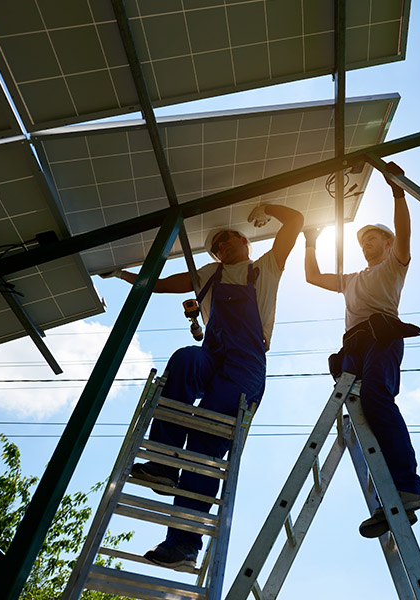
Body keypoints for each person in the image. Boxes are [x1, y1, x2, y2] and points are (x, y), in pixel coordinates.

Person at [105, 203, 303, 568]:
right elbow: (159, 284)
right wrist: (122, 274)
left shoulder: (267, 265)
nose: (221, 249)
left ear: (244, 241)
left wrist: (265, 207)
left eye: (226, 242)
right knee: (185, 359)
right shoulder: (208, 275)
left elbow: (296, 221)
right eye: (215, 248)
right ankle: (163, 463)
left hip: (245, 364)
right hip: (212, 356)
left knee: (203, 446)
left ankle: (183, 545)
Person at [303, 162, 420, 539]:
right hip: (352, 345)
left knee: (376, 397)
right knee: (359, 416)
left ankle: (408, 485)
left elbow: (405, 234)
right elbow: (311, 276)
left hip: (382, 337)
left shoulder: (394, 266)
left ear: (387, 245)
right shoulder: (351, 279)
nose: (366, 243)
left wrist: (398, 191)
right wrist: (310, 240)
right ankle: (386, 502)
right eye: (363, 241)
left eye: (373, 238)